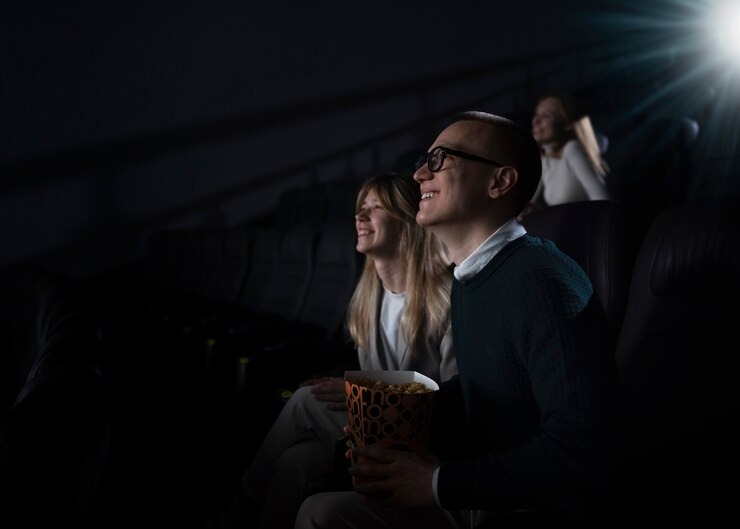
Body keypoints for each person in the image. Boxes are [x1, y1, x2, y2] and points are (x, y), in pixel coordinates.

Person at [296, 111, 619, 529]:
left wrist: (437, 483)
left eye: (440, 159)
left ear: (499, 182)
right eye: (422, 160)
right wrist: (384, 413)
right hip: (479, 484)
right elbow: (477, 395)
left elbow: (583, 449)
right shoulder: (470, 280)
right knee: (311, 494)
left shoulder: (542, 281)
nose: (417, 176)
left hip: (524, 507)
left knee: (321, 516)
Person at [214, 172, 456, 529]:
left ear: (407, 219)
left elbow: (456, 396)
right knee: (295, 462)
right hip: (379, 423)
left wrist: (363, 388)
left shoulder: (443, 296)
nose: (360, 217)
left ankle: (241, 510)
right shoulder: (367, 298)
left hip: (426, 439)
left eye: (375, 208)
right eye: (360, 208)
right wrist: (361, 391)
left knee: (306, 400)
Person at [520, 92, 610, 219]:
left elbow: (603, 201)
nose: (536, 121)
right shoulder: (545, 158)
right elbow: (527, 203)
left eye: (547, 115)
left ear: (568, 124)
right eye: (536, 115)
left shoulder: (572, 149)